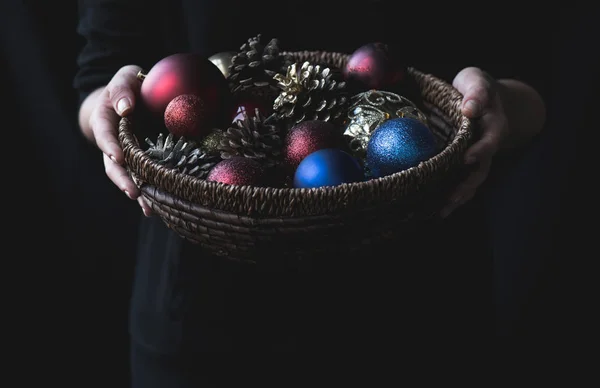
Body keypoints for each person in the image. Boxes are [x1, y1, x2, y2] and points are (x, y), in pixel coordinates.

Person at [74, 0, 548, 384]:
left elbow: (533, 88)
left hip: (421, 316)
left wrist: (498, 103)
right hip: (203, 322)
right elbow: (98, 81)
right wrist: (112, 108)